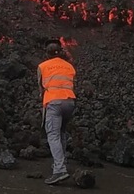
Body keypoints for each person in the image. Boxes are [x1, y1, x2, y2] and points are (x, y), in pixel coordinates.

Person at [37, 41, 76, 185]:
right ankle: (61, 162)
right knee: (61, 133)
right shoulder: (69, 66)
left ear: (47, 53)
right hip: (70, 102)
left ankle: (59, 170)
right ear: (60, 52)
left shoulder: (42, 66)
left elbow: (41, 89)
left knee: (52, 135)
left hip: (54, 102)